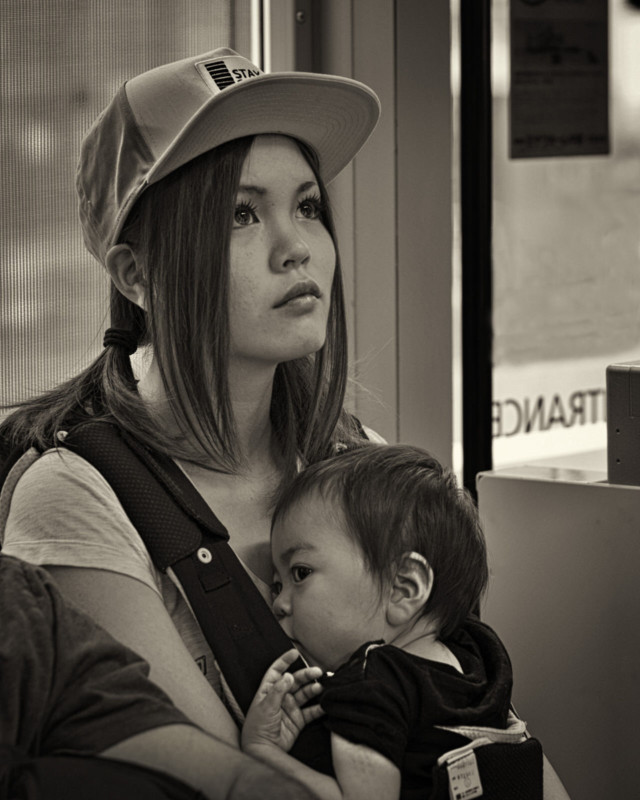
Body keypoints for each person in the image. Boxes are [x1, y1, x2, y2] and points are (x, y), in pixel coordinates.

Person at [0, 46, 382, 744]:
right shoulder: (79, 499)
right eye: (241, 214)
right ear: (136, 276)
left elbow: (480, 722)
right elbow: (231, 784)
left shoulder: (360, 459)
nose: (296, 247)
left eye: (307, 205)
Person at [240, 444, 569, 800]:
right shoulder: (480, 657)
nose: (278, 603)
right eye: (276, 585)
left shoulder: (369, 685)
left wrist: (262, 751)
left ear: (404, 587)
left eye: (300, 573)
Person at [0, 552, 322, 800]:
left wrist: (257, 771)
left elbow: (229, 782)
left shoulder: (22, 607)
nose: (277, 603)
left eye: (301, 574)